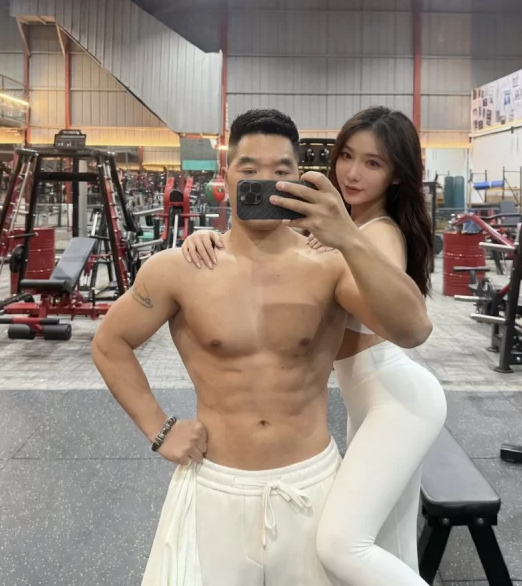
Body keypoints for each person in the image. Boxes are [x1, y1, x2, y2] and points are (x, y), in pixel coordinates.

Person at [92, 108, 433, 586]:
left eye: (280, 171)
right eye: (249, 169)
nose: (264, 183)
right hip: (215, 485)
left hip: (310, 486)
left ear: (299, 178)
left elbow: (413, 329)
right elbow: (110, 342)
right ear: (226, 176)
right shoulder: (180, 268)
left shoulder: (329, 264)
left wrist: (348, 240)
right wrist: (159, 428)